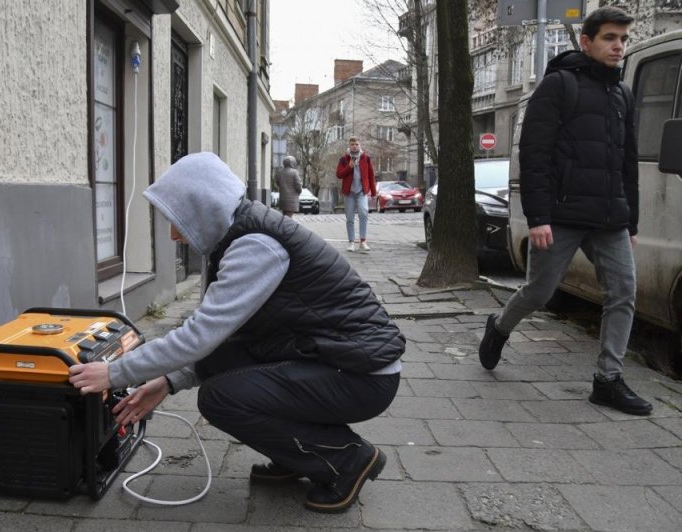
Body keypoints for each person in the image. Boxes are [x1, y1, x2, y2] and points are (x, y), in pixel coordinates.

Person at [69, 152, 405, 513]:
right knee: (232, 375)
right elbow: (231, 340)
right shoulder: (240, 236)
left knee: (221, 398)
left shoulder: (255, 246)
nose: (173, 233)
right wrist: (166, 382)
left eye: (178, 219)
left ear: (204, 207)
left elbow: (201, 335)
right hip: (338, 361)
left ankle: (347, 460)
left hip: (360, 375)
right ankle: (300, 458)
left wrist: (115, 372)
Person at [478, 7, 651, 416]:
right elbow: (534, 154)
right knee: (539, 292)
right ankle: (499, 327)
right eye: (610, 38)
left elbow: (627, 162)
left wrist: (632, 221)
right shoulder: (559, 86)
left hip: (609, 217)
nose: (619, 47)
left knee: (624, 292)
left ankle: (608, 379)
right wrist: (537, 217)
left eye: (624, 40)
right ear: (587, 42)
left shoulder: (622, 93)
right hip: (562, 214)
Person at [336, 136, 376, 252]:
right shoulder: (344, 159)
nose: (354, 146)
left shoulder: (366, 158)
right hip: (349, 193)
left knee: (363, 213)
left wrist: (373, 192)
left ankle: (363, 241)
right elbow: (338, 174)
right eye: (352, 144)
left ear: (359, 145)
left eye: (356, 144)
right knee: (350, 218)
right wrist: (349, 167)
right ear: (349, 145)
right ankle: (351, 242)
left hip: (362, 192)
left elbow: (371, 175)